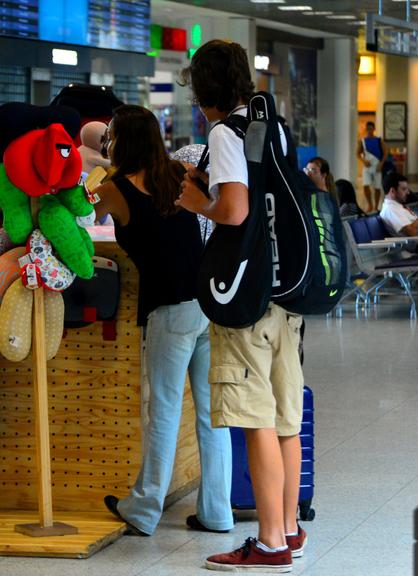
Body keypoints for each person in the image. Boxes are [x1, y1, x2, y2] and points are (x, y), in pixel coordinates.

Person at [177, 39, 306, 573]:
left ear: (204, 90)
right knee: (285, 419)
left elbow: (233, 210)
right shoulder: (270, 124)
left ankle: (270, 542)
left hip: (245, 296)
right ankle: (292, 529)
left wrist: (195, 201)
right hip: (283, 292)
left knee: (255, 419)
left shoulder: (224, 130)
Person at [92, 104, 234, 536]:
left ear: (123, 141)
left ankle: (144, 508)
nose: (109, 143)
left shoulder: (115, 188)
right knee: (212, 417)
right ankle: (217, 513)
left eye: (112, 137)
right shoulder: (177, 172)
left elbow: (84, 217)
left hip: (170, 310)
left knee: (165, 411)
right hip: (207, 304)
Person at [357, 121, 387, 213]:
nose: (369, 130)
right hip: (367, 167)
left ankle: (376, 206)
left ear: (374, 129)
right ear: (366, 129)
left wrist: (381, 164)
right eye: (368, 129)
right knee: (366, 185)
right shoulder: (362, 141)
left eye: (371, 128)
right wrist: (363, 161)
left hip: (377, 166)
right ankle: (370, 204)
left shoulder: (379, 140)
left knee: (377, 187)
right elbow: (357, 153)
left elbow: (385, 153)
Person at [380, 172, 418, 237]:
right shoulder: (391, 210)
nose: (408, 192)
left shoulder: (398, 206)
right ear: (392, 191)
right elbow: (414, 233)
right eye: (404, 189)